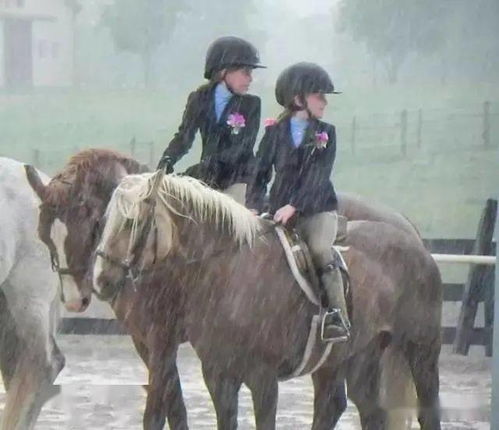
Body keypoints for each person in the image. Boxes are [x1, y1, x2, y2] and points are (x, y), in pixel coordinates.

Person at [247, 62, 350, 341]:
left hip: (317, 211)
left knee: (319, 251)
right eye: (319, 96)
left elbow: (318, 175)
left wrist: (294, 205)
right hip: (277, 211)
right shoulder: (273, 133)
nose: (325, 102)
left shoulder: (326, 133)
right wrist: (254, 206)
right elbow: (259, 173)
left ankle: (337, 315)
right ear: (298, 99)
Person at [157, 36, 264, 204]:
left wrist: (204, 167)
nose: (250, 79)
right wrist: (167, 161)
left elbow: (242, 147)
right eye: (245, 73)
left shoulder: (252, 105)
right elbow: (184, 137)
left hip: (237, 179)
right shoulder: (199, 98)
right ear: (223, 71)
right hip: (207, 178)